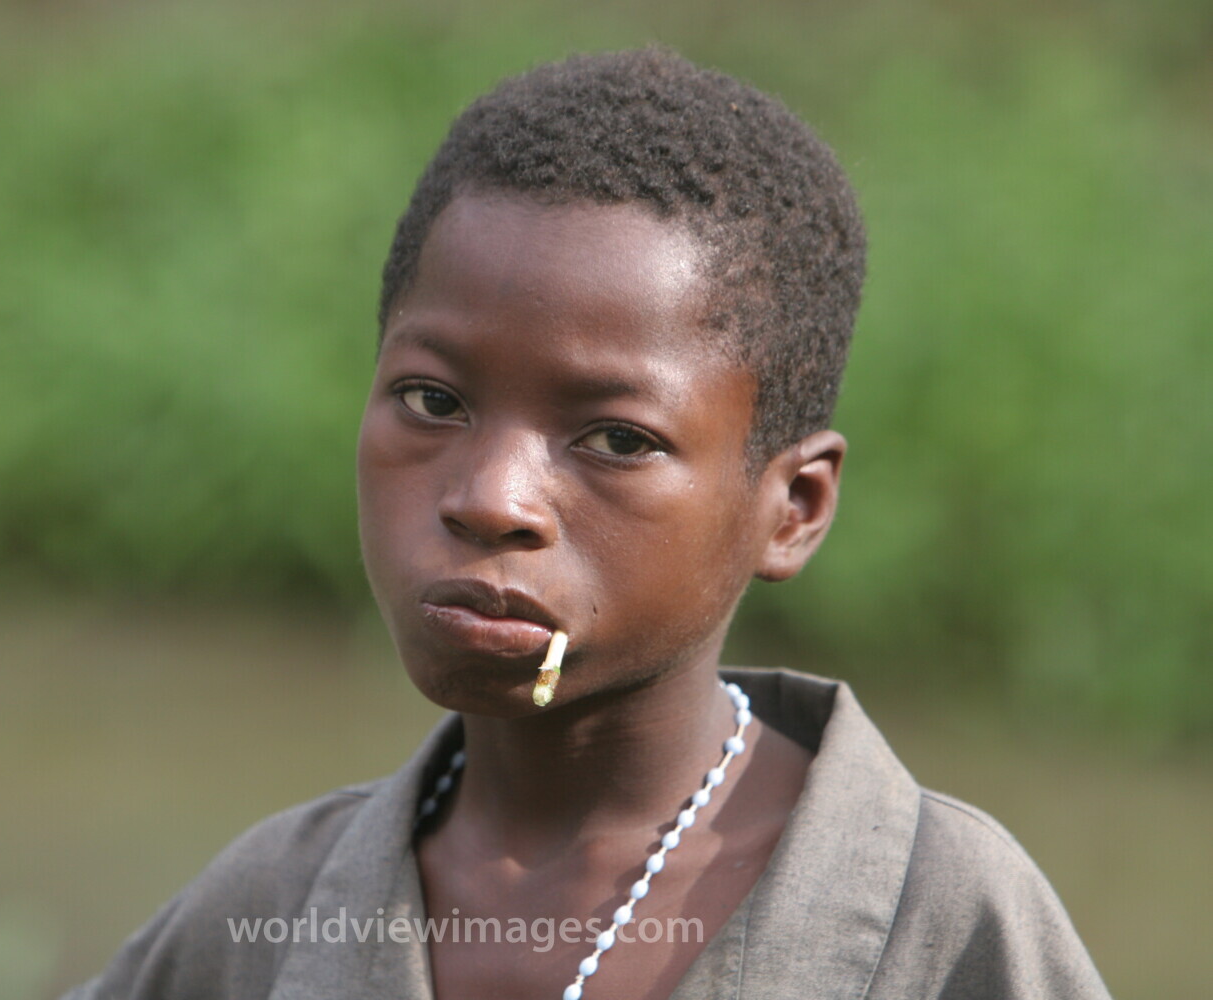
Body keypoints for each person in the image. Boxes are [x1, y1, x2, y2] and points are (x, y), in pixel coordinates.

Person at [63, 48, 1110, 1000]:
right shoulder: (271, 916)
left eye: (615, 439)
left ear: (792, 509)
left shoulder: (940, 926)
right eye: (434, 401)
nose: (491, 498)